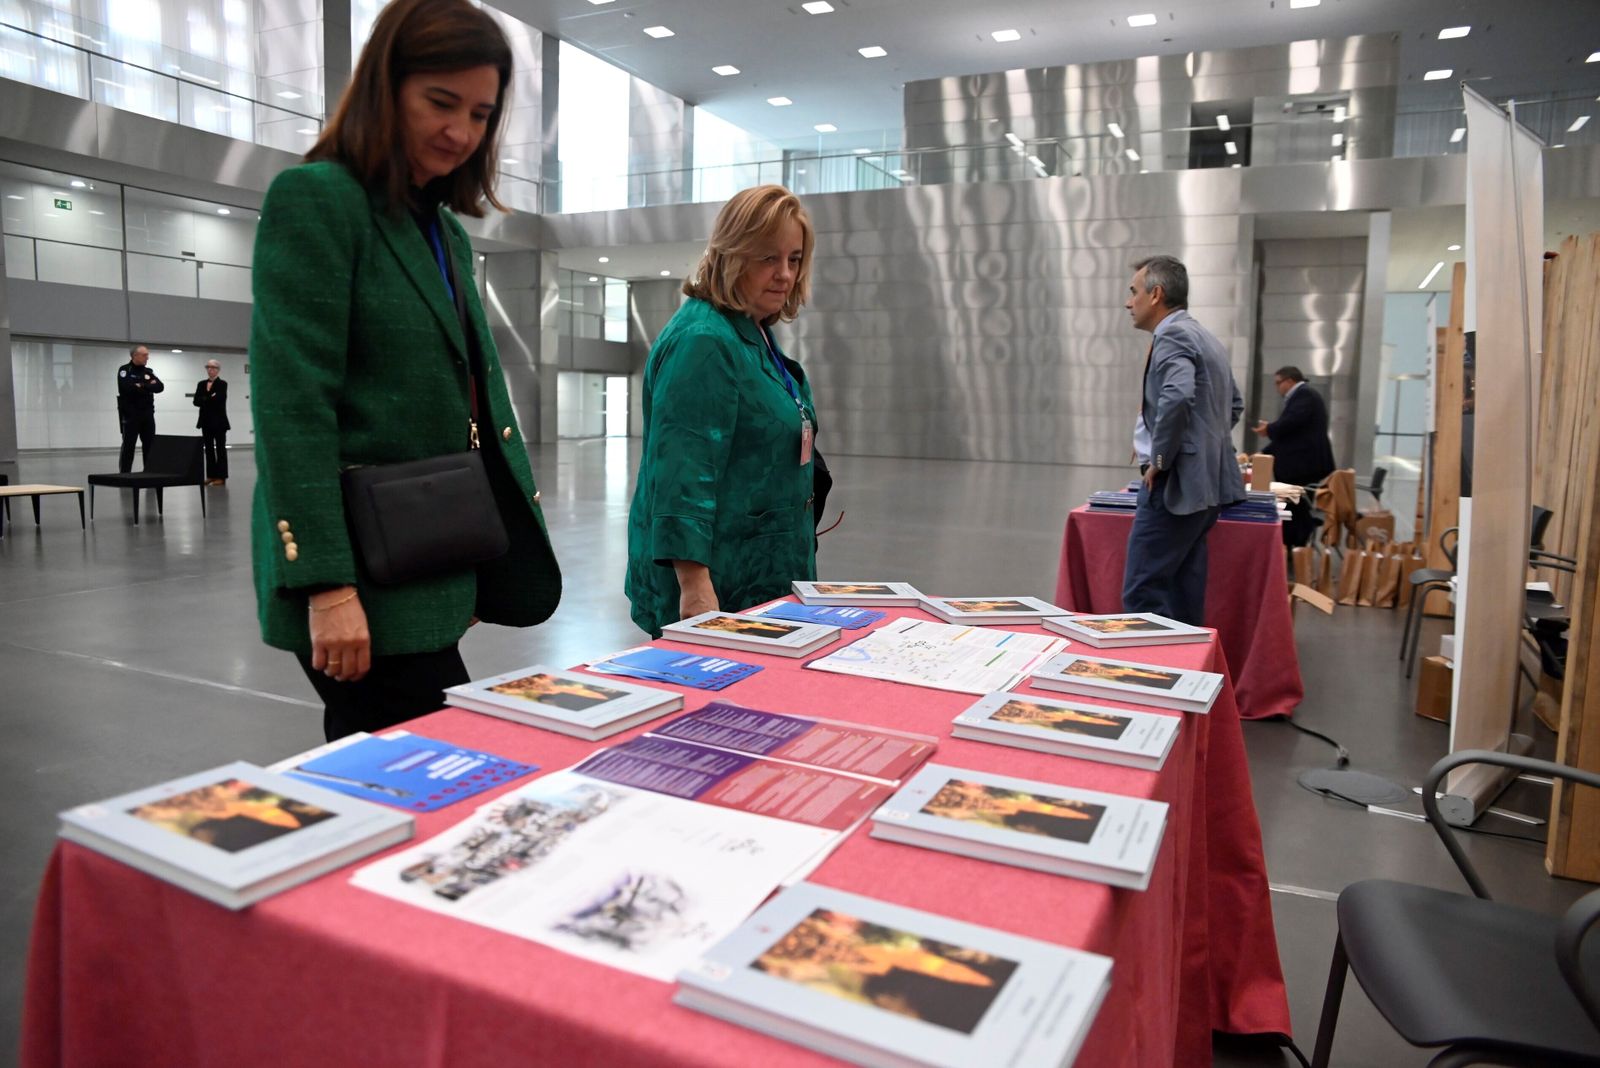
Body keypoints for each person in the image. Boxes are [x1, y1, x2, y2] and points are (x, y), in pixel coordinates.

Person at [249, 0, 560, 741]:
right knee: (425, 764)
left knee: (412, 768)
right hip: (356, 565)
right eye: (440, 102)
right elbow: (294, 405)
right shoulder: (318, 200)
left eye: (482, 113)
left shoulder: (443, 229)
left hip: (428, 554)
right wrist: (326, 586)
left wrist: (479, 555)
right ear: (386, 88)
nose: (461, 131)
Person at [625, 184, 819, 638]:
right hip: (719, 587)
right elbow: (682, 472)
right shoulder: (704, 340)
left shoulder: (751, 331)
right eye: (768, 258)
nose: (785, 274)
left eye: (794, 259)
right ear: (733, 253)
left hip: (761, 573)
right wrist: (694, 587)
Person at [1120, 255, 1246, 626]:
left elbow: (1177, 395)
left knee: (1143, 593)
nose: (1129, 302)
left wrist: (1161, 457)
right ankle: (1189, 676)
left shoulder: (1172, 335)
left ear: (1156, 294)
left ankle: (1154, 678)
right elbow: (1232, 405)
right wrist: (1198, 445)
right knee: (1183, 593)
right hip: (1205, 488)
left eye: (1133, 292)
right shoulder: (1204, 336)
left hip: (1174, 485)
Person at [1251, 365, 1336, 486]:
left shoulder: (1305, 394)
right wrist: (1264, 452)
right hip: (1300, 466)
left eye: (1278, 383)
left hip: (1303, 466)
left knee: (1297, 503)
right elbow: (1292, 433)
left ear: (1289, 381)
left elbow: (1290, 423)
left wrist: (1269, 429)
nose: (1277, 387)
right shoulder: (1302, 395)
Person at [116, 344, 162, 472]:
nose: (148, 357)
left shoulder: (148, 371)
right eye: (144, 355)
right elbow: (127, 388)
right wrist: (147, 385)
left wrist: (141, 386)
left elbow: (160, 387)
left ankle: (149, 472)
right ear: (135, 356)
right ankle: (124, 474)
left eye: (147, 354)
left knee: (149, 445)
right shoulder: (125, 370)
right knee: (128, 446)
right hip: (130, 415)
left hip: (147, 414)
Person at [193, 359, 231, 485]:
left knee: (220, 449)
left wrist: (205, 399)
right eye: (208, 367)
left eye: (213, 367)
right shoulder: (201, 384)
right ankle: (211, 475)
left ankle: (221, 477)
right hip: (205, 422)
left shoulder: (222, 384)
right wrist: (209, 397)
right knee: (208, 450)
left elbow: (219, 399)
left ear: (218, 369)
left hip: (219, 422)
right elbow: (196, 401)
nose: (210, 369)